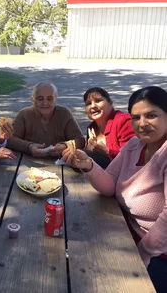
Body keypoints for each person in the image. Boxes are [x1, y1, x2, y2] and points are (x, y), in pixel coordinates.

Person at [62, 86, 167, 293]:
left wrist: (142, 253)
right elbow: (109, 183)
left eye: (151, 115)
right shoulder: (134, 145)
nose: (142, 124)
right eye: (136, 118)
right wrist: (88, 165)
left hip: (157, 254)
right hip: (124, 233)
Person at [7, 82, 85, 158]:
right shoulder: (24, 114)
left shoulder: (63, 113)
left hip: (60, 164)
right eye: (40, 99)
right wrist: (29, 147)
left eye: (49, 99)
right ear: (33, 100)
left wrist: (65, 146)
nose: (45, 103)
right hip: (26, 164)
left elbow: (80, 140)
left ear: (55, 99)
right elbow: (10, 139)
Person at [83, 87, 135, 168]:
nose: (93, 106)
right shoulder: (91, 128)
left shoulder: (124, 121)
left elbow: (132, 157)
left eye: (98, 101)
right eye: (88, 103)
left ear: (110, 102)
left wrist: (107, 152)